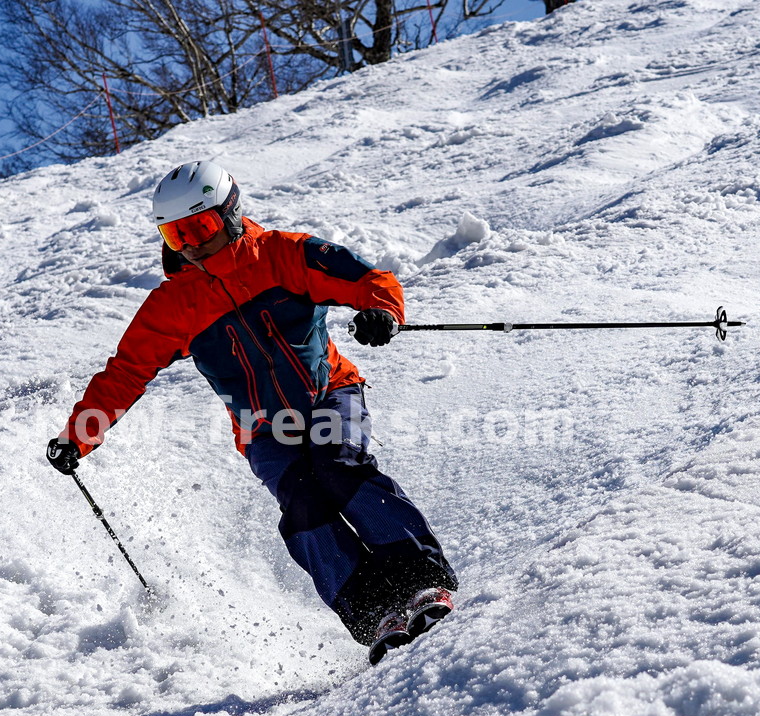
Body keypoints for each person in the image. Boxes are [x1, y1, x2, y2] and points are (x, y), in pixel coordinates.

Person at [46, 161, 457, 665]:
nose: (192, 244)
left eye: (202, 227)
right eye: (177, 235)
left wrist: (381, 312)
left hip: (331, 393)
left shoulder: (284, 255)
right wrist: (78, 435)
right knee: (304, 503)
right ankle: (374, 613)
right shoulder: (173, 305)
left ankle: (421, 582)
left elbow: (368, 279)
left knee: (338, 465)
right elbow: (126, 372)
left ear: (231, 212)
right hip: (263, 429)